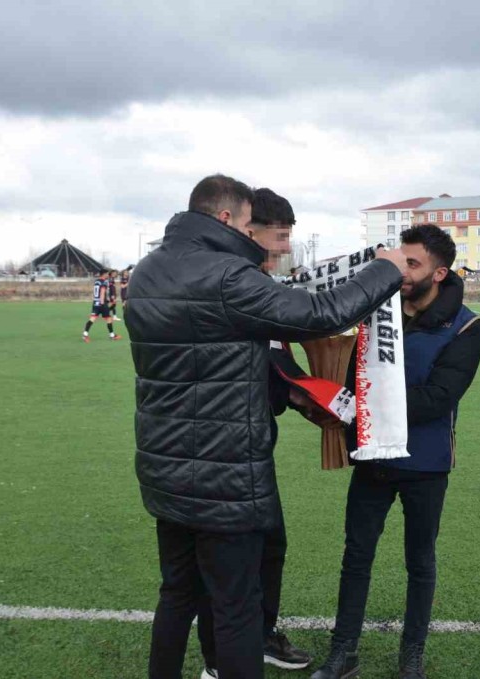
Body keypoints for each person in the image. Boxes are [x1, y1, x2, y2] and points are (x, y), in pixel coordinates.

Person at [126, 174, 409, 679]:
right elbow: (321, 314)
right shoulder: (228, 276)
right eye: (247, 221)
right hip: (224, 473)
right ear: (226, 218)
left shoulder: (147, 271)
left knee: (177, 594)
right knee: (237, 608)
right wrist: (383, 270)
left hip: (164, 468)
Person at [309, 223, 480, 679]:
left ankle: (412, 656)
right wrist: (337, 402)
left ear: (439, 273)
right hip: (372, 457)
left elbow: (438, 398)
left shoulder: (466, 325)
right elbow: (350, 375)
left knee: (419, 560)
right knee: (356, 555)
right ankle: (343, 651)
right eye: (399, 261)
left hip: (426, 463)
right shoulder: (373, 311)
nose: (401, 272)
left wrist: (368, 406)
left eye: (412, 264)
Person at [194, 188, 314, 678]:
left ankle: (258, 637)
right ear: (248, 230)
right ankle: (218, 663)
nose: (286, 247)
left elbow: (272, 358)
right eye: (280, 235)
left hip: (253, 443)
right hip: (218, 453)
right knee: (220, 569)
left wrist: (301, 394)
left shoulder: (255, 282)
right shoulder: (230, 284)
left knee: (269, 546)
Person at [82, 269, 120, 342]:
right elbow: (102, 292)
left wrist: (105, 300)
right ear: (104, 274)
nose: (107, 275)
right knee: (109, 319)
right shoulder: (104, 282)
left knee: (92, 319)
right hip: (101, 303)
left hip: (95, 303)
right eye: (107, 274)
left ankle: (85, 334)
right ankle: (112, 336)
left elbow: (97, 293)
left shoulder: (97, 281)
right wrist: (103, 303)